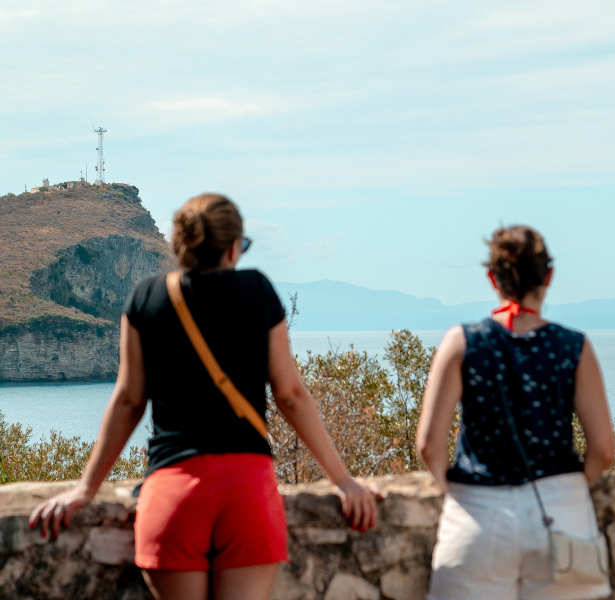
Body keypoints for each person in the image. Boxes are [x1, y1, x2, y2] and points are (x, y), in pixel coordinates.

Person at [28, 193, 380, 600]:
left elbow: (128, 400)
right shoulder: (258, 290)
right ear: (234, 247)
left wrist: (85, 490)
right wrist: (343, 480)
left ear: (180, 245)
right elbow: (291, 396)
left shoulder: (146, 297)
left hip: (173, 493)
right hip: (246, 490)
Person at [417, 224, 615, 600]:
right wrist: (567, 489)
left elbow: (429, 445)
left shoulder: (463, 341)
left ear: (493, 278)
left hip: (479, 514)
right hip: (561, 515)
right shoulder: (574, 347)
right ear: (549, 276)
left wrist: (459, 495)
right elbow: (604, 449)